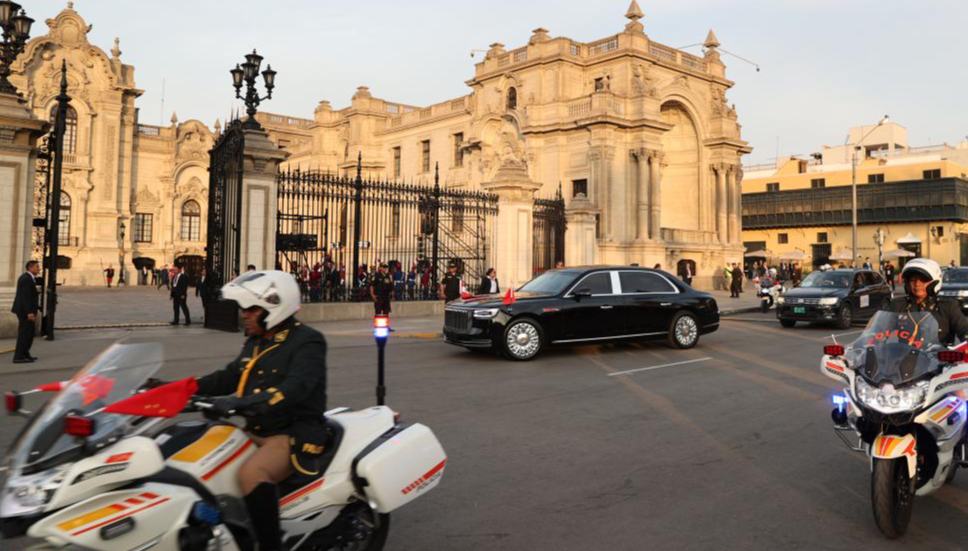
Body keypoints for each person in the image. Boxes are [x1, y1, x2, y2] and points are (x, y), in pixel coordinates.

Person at [194, 271, 327, 551]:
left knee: (251, 474)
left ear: (274, 308)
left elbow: (295, 389)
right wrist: (181, 388)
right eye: (244, 308)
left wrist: (238, 403)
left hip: (292, 432)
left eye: (251, 309)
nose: (244, 314)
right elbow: (229, 376)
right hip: (257, 427)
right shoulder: (257, 340)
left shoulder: (308, 341)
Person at [885, 258, 968, 345]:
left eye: (923, 280)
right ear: (907, 283)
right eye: (913, 280)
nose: (917, 284)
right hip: (905, 356)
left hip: (939, 357)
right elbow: (878, 330)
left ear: (935, 282)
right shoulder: (897, 305)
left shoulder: (947, 306)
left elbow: (964, 329)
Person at [11, 260, 40, 364]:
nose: (39, 269)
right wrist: (29, 312)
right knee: (24, 334)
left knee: (29, 334)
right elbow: (25, 298)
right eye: (37, 267)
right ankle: (18, 356)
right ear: (30, 268)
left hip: (27, 311)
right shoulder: (26, 279)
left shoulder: (29, 278)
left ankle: (25, 354)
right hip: (25, 312)